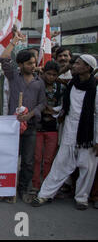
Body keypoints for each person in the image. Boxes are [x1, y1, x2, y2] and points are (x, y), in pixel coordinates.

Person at [32, 55, 98, 210]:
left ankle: (81, 198)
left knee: (87, 168)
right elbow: (65, 109)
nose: (74, 66)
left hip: (88, 136)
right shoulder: (72, 85)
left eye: (78, 63)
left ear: (88, 68)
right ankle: (45, 195)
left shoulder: (95, 89)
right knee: (60, 165)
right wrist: (53, 111)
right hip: (69, 131)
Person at [0, 32, 47, 204]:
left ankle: (23, 189)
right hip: (13, 127)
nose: (32, 66)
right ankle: (8, 189)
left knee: (27, 161)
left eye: (34, 63)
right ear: (19, 64)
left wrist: (30, 114)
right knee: (11, 159)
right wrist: (13, 42)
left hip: (31, 126)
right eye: (28, 63)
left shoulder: (39, 82)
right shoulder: (13, 76)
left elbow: (42, 103)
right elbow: (4, 58)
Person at [31, 61, 65, 194]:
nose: (51, 77)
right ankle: (35, 184)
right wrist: (46, 110)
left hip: (53, 128)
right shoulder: (37, 85)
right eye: (48, 74)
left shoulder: (61, 88)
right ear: (43, 73)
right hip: (38, 127)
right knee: (37, 158)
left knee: (49, 159)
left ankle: (47, 185)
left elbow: (63, 107)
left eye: (54, 75)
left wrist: (52, 110)